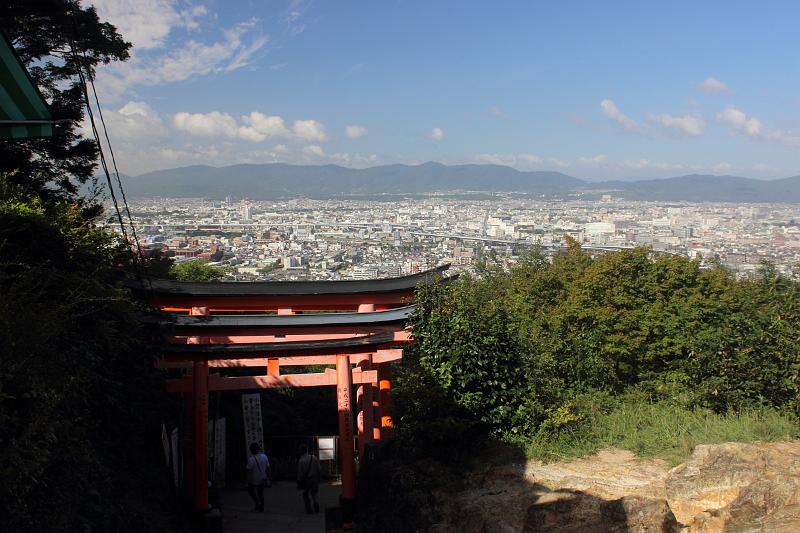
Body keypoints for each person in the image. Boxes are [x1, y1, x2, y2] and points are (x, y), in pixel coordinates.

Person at [246, 442, 271, 512]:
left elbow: (248, 472)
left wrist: (247, 481)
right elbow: (268, 468)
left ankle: (257, 502)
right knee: (260, 493)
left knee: (250, 490)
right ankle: (261, 507)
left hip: (254, 480)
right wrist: (269, 478)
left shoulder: (251, 459)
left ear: (251, 450)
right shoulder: (264, 456)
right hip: (263, 478)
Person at [296, 443, 321, 514]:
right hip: (314, 479)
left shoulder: (301, 461)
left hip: (306, 480)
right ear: (307, 450)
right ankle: (316, 503)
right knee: (314, 493)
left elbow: (300, 474)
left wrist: (299, 482)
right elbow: (319, 469)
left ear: (301, 451)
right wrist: (319, 477)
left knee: (305, 494)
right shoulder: (314, 457)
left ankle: (309, 509)